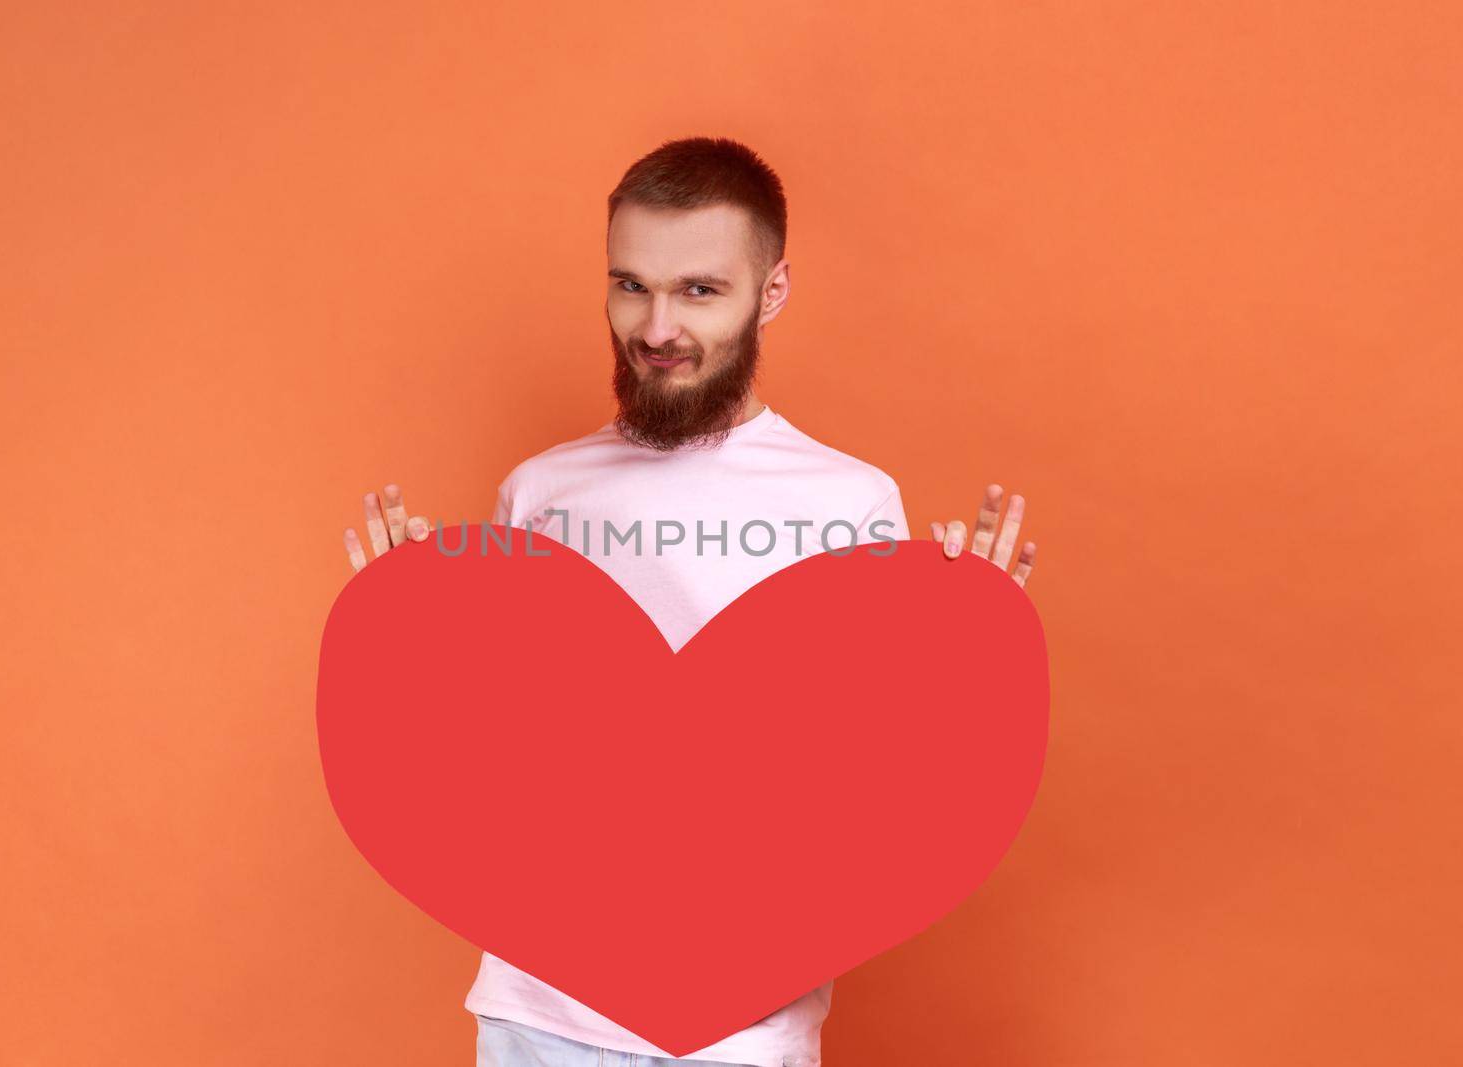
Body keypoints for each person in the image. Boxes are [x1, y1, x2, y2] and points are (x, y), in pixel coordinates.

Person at [341, 136, 1038, 1067]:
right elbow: (496, 744)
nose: (658, 326)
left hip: (740, 1027)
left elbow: (875, 765)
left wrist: (972, 644)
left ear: (772, 292)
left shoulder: (848, 501)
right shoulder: (541, 490)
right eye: (632, 285)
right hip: (539, 1016)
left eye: (699, 291)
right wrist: (394, 637)